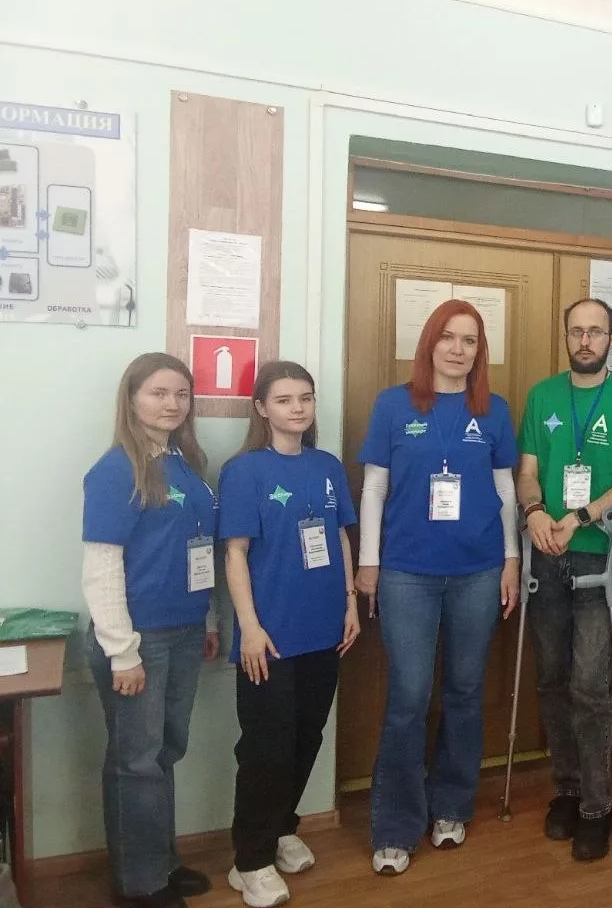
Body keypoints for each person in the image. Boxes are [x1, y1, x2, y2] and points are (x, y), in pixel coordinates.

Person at [356, 300, 520, 876]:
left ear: (479, 351)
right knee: (408, 696)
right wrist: (369, 563)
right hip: (407, 573)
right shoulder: (393, 405)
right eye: (448, 337)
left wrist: (512, 559)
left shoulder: (494, 410)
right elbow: (374, 488)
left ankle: (451, 804)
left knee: (466, 690)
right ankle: (396, 825)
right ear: (429, 343)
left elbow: (506, 491)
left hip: (479, 570)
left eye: (469, 340)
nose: (458, 349)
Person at [218, 361, 360, 908]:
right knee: (266, 748)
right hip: (269, 638)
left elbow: (339, 539)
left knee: (307, 737)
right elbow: (235, 554)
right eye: (284, 400)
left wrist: (350, 602)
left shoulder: (326, 466)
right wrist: (249, 628)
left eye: (305, 398)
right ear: (261, 408)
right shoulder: (244, 471)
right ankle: (250, 861)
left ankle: (280, 829)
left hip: (323, 629)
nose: (297, 408)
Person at [515, 297, 612, 862]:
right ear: (566, 336)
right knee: (551, 680)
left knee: (589, 687)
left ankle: (597, 807)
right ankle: (567, 791)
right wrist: (534, 512)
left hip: (599, 555)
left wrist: (579, 516)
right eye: (577, 331)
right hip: (546, 553)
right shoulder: (543, 395)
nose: (586, 340)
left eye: (596, 331)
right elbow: (526, 472)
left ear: (611, 338)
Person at [82, 353, 221, 908]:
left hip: (184, 631)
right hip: (138, 640)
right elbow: (102, 566)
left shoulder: (185, 464)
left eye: (181, 394)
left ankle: (159, 861)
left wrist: (207, 620)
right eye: (159, 393)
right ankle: (140, 883)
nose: (172, 404)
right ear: (132, 398)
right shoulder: (116, 469)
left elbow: (195, 552)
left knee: (164, 752)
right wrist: (123, 651)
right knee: (136, 762)